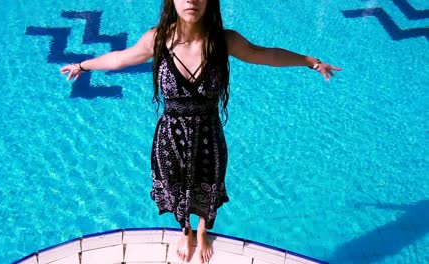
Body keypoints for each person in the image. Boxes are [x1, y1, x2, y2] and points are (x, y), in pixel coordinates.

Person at [60, 0, 341, 263]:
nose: (191, 0)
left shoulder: (224, 40)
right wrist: (84, 66)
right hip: (171, 133)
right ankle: (186, 230)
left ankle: (203, 230)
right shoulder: (158, 38)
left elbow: (263, 54)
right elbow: (121, 58)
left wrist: (310, 61)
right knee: (176, 184)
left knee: (210, 181)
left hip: (208, 131)